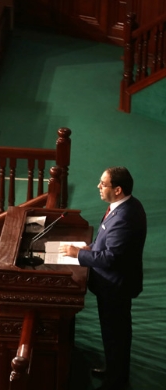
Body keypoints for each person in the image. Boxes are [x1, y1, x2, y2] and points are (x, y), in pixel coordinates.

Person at [59, 167, 147, 390]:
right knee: (114, 333)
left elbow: (110, 258)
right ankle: (115, 370)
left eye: (103, 184)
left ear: (118, 190)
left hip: (115, 287)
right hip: (113, 284)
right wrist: (92, 247)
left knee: (116, 334)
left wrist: (78, 254)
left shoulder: (124, 217)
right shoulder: (124, 205)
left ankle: (116, 382)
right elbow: (107, 242)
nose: (98, 186)